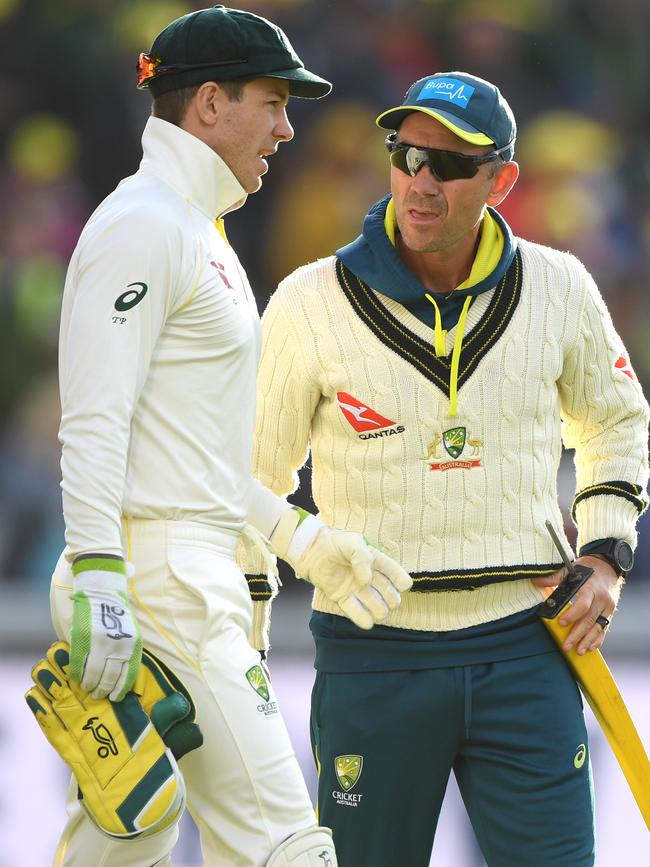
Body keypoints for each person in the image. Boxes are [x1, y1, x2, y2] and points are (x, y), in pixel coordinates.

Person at [247, 71, 650, 866]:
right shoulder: (308, 301)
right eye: (405, 154)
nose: (420, 181)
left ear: (501, 181)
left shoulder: (561, 286)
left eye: (449, 164)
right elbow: (252, 478)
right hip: (373, 655)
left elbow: (615, 419)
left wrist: (607, 552)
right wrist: (244, 640)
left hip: (528, 646)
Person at [48, 6, 412, 866]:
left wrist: (300, 535)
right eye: (273, 102)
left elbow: (192, 456)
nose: (288, 128)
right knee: (288, 845)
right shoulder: (147, 225)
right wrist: (99, 569)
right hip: (163, 581)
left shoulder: (191, 229)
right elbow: (94, 418)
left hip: (169, 564)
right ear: (209, 103)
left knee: (126, 836)